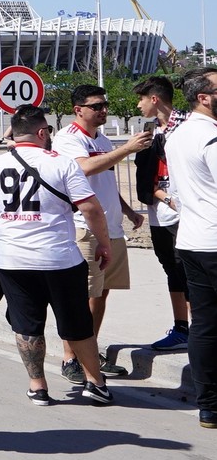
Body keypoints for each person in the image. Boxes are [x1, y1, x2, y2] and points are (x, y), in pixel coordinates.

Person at [0, 104, 117, 407]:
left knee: (26, 325)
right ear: (41, 132)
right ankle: (95, 383)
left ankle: (38, 387)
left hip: (11, 260)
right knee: (77, 323)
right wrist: (104, 244)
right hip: (59, 258)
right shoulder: (62, 164)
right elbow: (90, 208)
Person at [52, 85, 153, 383]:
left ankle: (90, 351)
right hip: (84, 229)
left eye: (105, 105)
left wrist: (128, 210)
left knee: (102, 294)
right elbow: (82, 170)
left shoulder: (104, 139)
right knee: (82, 297)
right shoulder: (68, 138)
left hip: (111, 229)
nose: (103, 110)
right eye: (96, 106)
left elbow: (105, 179)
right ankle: (71, 356)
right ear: (78, 109)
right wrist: (126, 150)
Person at [163, 67, 217, 429]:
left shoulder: (176, 136)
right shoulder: (210, 136)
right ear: (204, 97)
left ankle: (208, 405)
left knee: (205, 325)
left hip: (192, 239)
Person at [133, 75, 190, 349]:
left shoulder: (189, 127)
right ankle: (182, 328)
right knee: (172, 269)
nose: (138, 105)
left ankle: (202, 330)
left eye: (141, 99)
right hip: (159, 214)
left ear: (154, 99)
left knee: (193, 272)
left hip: (188, 215)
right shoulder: (148, 130)